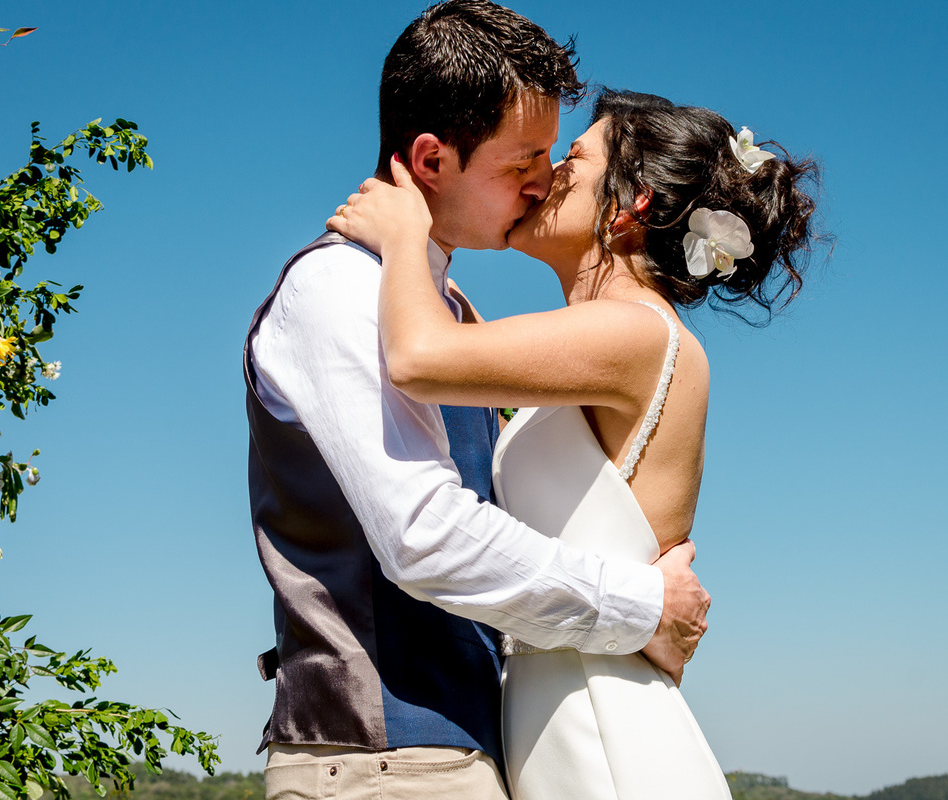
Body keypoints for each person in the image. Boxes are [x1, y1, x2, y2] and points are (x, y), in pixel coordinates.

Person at [244, 4, 712, 799]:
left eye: (556, 156)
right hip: (379, 762)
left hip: (477, 752)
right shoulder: (337, 289)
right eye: (524, 159)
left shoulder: (452, 318)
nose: (544, 180)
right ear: (431, 160)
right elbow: (423, 536)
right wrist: (642, 606)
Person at [326, 88, 821, 799]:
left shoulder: (635, 332)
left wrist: (408, 234)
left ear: (632, 205)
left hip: (603, 726)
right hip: (560, 708)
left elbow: (418, 357)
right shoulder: (607, 343)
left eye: (573, 160)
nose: (543, 174)